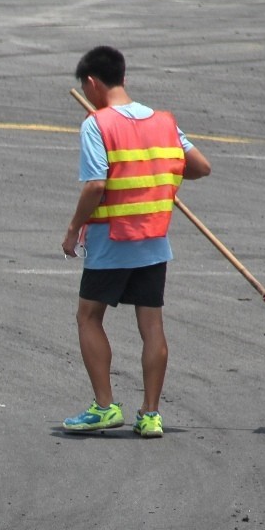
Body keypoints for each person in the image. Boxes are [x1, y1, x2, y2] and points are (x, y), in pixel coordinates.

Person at [60, 45, 211, 438]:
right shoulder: (163, 122)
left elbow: (96, 184)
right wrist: (159, 171)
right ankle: (151, 414)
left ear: (92, 83)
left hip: (112, 240)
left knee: (89, 316)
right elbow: (199, 166)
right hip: (153, 241)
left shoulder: (98, 124)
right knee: (152, 325)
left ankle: (105, 407)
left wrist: (74, 227)